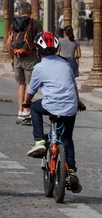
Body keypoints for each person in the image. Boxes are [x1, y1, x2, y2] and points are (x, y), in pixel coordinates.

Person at [23, 32, 85, 190]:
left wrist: (26, 103)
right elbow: (73, 86)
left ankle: (39, 140)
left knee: (35, 109)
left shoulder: (39, 67)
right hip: (70, 106)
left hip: (50, 105)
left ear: (38, 51)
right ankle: (71, 170)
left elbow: (31, 90)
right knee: (67, 138)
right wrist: (78, 102)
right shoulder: (65, 64)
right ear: (57, 48)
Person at [6, 2, 42, 124]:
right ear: (31, 12)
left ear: (20, 12)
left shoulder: (14, 24)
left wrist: (11, 57)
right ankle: (27, 111)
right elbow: (40, 41)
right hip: (30, 56)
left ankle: (20, 111)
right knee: (28, 84)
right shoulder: (35, 23)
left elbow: (8, 42)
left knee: (21, 84)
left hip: (17, 56)